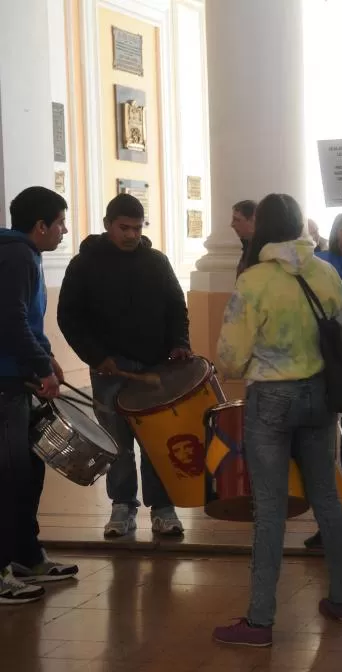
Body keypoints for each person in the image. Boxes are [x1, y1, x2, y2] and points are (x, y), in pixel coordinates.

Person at [212, 193, 342, 646]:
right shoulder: (326, 271)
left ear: (261, 229)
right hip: (321, 397)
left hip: (272, 401)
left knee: (271, 509)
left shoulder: (253, 281)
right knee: (328, 501)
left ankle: (260, 621)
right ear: (299, 225)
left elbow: (231, 360)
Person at [58, 194, 192, 538]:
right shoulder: (84, 265)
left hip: (154, 369)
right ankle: (122, 507)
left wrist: (180, 344)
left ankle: (163, 509)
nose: (132, 234)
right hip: (109, 370)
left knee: (155, 440)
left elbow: (177, 307)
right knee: (117, 442)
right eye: (124, 228)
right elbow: (69, 317)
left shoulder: (157, 263)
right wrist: (96, 356)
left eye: (137, 227)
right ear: (108, 225)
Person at [0, 187, 78, 604]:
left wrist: (46, 358)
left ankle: (27, 556)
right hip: (5, 383)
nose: (64, 231)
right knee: (8, 478)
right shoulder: (15, 256)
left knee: (30, 470)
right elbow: (9, 320)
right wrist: (41, 367)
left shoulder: (24, 254)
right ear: (41, 225)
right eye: (60, 223)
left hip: (18, 378)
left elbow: (28, 320)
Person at [231, 200, 256, 277]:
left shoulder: (265, 248)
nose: (232, 224)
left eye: (237, 220)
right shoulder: (242, 245)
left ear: (252, 220)